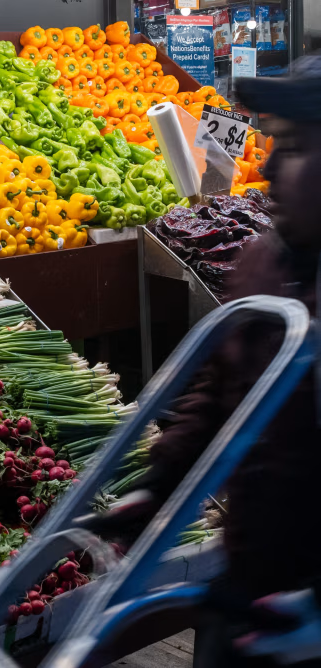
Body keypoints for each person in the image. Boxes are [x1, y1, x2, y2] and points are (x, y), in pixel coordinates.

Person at [99, 57, 321, 666]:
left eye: (295, 148)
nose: (269, 168)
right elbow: (221, 389)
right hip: (249, 580)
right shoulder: (267, 262)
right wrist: (157, 485)